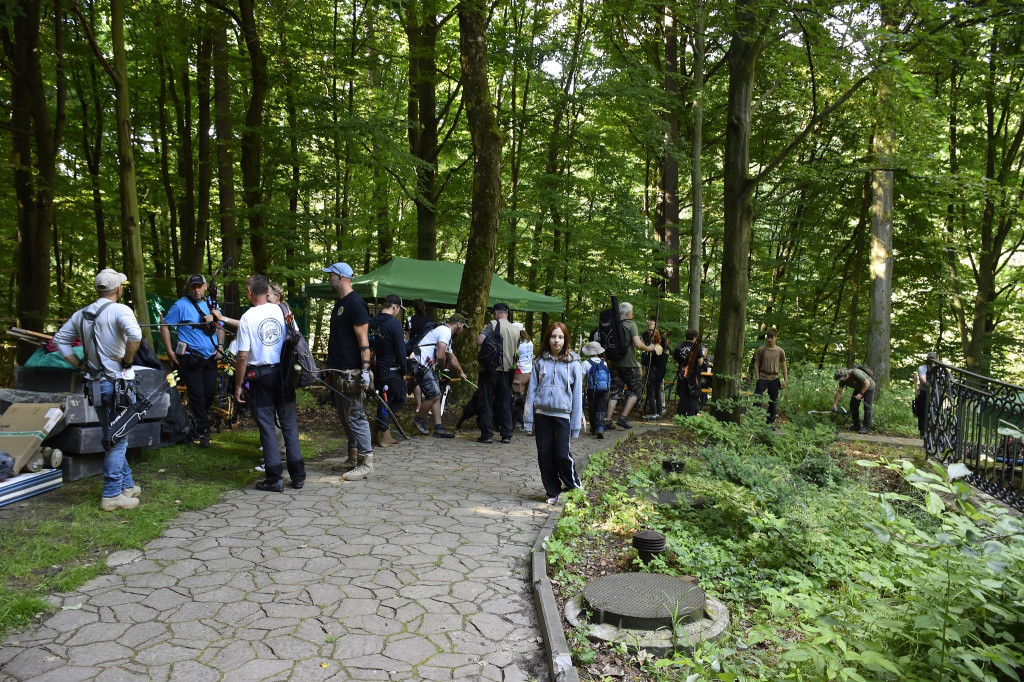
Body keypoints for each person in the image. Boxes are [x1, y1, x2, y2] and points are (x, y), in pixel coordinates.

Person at [55, 269, 143, 511]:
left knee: (113, 434)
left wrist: (79, 363)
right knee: (118, 439)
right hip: (118, 385)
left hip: (93, 383)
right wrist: (127, 360)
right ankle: (112, 493)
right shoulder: (120, 310)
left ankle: (127, 486)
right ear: (117, 289)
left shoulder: (82, 314)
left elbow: (60, 340)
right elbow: (136, 335)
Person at [233, 274, 305, 491]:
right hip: (284, 375)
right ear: (266, 290)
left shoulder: (247, 317)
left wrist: (238, 385)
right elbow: (297, 338)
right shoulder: (283, 311)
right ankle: (298, 476)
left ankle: (274, 479)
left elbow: (243, 356)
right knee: (289, 424)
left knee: (266, 426)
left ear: (249, 293)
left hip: (260, 378)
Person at [322, 262, 377, 480]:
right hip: (338, 371)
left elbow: (363, 342)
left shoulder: (355, 304)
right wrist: (327, 366)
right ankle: (353, 457)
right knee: (345, 417)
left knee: (356, 415)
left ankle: (367, 462)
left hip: (352, 372)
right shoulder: (339, 304)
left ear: (342, 277)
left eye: (331, 275)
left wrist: (365, 370)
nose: (329, 279)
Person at [160, 273, 226, 448]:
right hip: (190, 358)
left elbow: (220, 326)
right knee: (197, 395)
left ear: (205, 287)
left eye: (199, 286)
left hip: (209, 357)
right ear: (189, 288)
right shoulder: (180, 305)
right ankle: (203, 433)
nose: (197, 290)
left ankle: (194, 425)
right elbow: (165, 325)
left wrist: (220, 345)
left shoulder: (212, 304)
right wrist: (169, 351)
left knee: (210, 392)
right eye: (193, 287)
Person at [524, 322, 584, 505]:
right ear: (547, 339)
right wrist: (528, 421)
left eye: (560, 337)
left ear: (565, 339)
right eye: (553, 336)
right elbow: (531, 392)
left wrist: (575, 426)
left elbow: (577, 397)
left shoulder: (574, 364)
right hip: (542, 415)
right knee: (545, 454)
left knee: (562, 453)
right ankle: (553, 491)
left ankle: (574, 486)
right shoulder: (540, 361)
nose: (556, 340)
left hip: (563, 415)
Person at [411, 313, 469, 438]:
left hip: (425, 365)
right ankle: (418, 419)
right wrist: (443, 367)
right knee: (434, 395)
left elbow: (451, 357)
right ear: (459, 324)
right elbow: (440, 355)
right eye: (463, 325)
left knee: (436, 395)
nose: (463, 329)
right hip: (421, 364)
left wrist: (461, 372)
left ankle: (438, 428)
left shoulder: (445, 333)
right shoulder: (445, 331)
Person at [606, 302, 661, 430]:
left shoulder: (612, 324)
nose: (632, 314)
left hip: (613, 363)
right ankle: (623, 418)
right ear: (628, 313)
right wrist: (650, 348)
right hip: (629, 364)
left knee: (615, 391)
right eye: (632, 312)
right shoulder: (631, 324)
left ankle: (608, 420)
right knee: (636, 390)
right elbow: (637, 344)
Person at [475, 302, 521, 444]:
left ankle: (487, 434)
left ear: (495, 313)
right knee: (505, 402)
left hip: (490, 369)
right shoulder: (515, 330)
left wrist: (483, 331)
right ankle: (506, 434)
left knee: (487, 401)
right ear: (507, 314)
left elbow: (479, 341)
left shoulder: (493, 324)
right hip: (507, 371)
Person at [369, 294, 408, 448]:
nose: (398, 312)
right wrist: (404, 371)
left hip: (374, 367)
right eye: (399, 309)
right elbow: (400, 350)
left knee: (383, 400)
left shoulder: (371, 321)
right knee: (400, 399)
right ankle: (383, 430)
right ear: (394, 307)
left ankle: (381, 431)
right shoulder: (394, 324)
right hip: (390, 370)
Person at [752, 329, 788, 426]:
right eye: (768, 337)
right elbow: (756, 363)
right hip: (762, 377)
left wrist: (785, 379)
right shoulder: (761, 350)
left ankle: (770, 423)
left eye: (771, 337)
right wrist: (757, 377)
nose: (769, 340)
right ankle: (753, 421)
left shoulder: (780, 351)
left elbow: (783, 365)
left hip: (774, 379)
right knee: (757, 399)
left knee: (773, 401)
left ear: (776, 338)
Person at [406, 299, 434, 412]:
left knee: (415, 378)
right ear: (424, 307)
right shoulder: (431, 320)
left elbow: (407, 339)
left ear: (414, 308)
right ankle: (429, 404)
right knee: (429, 377)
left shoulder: (410, 320)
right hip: (428, 353)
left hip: (414, 352)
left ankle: (419, 404)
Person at [673, 330, 707, 417]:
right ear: (695, 337)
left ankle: (681, 415)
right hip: (693, 374)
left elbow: (674, 361)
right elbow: (700, 363)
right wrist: (703, 357)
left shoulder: (679, 346)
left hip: (682, 373)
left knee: (683, 394)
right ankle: (691, 416)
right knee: (693, 395)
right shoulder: (696, 347)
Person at [833, 366, 874, 434]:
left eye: (842, 379)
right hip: (858, 388)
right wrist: (835, 404)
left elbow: (867, 383)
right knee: (853, 405)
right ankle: (857, 425)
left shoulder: (856, 373)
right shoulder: (842, 380)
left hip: (869, 387)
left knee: (867, 407)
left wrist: (861, 394)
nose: (841, 380)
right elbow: (839, 391)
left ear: (847, 375)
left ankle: (866, 428)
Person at [582, 341, 610, 439]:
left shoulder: (586, 363)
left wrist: (582, 387)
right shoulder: (604, 363)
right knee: (601, 408)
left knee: (592, 408)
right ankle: (600, 427)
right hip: (603, 389)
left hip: (591, 390)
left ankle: (594, 428)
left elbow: (582, 378)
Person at [641, 321, 670, 419]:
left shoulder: (653, 348)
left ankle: (654, 412)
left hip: (653, 370)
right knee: (657, 391)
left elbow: (647, 360)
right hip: (660, 371)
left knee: (651, 392)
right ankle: (659, 411)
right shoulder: (662, 348)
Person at [512, 323, 533, 428]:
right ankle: (526, 420)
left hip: (519, 373)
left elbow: (514, 357)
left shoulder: (519, 345)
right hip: (529, 372)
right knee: (525, 398)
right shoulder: (530, 343)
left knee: (517, 399)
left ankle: (519, 421)